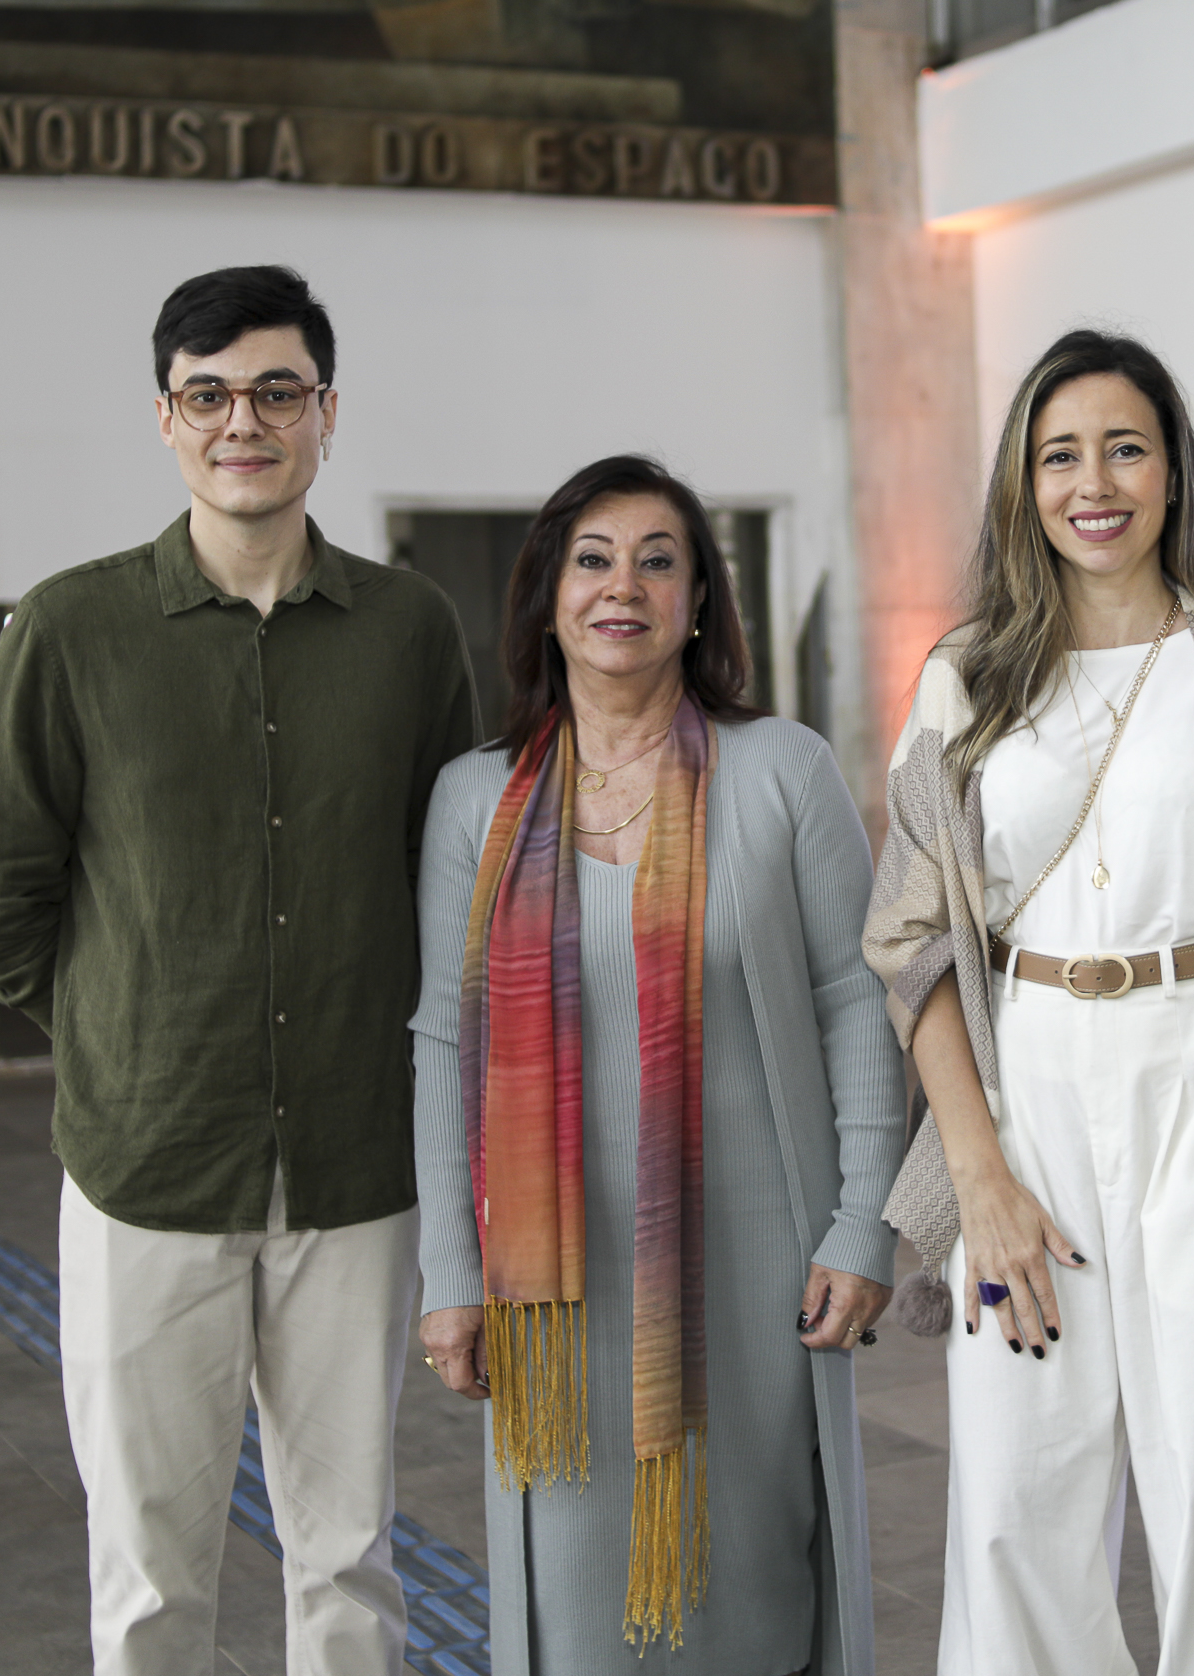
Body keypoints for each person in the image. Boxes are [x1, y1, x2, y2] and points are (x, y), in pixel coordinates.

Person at [0, 263, 478, 1675]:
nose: (245, 420)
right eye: (211, 395)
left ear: (326, 413)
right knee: (150, 1574)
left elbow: (455, 886)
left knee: (351, 1555)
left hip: (359, 1175)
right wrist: (125, 1035)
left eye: (277, 391)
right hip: (147, 1172)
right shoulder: (72, 628)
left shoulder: (410, 632)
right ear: (168, 420)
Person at [864, 331, 1194, 1676]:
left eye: (1126, 447)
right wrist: (978, 1171)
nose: (1092, 481)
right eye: (1061, 454)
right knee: (1014, 1490)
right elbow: (913, 939)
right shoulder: (970, 672)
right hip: (1030, 1088)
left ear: (1173, 470)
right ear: (1023, 482)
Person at [411, 454, 901, 1674]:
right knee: (574, 1604)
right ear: (548, 596)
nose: (621, 584)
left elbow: (859, 1000)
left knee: (750, 1583)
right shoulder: (476, 800)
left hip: (757, 1262)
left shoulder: (782, 771)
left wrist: (862, 1226)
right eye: (592, 558)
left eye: (657, 558)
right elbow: (443, 1040)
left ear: (697, 602)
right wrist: (448, 1268)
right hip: (553, 1291)